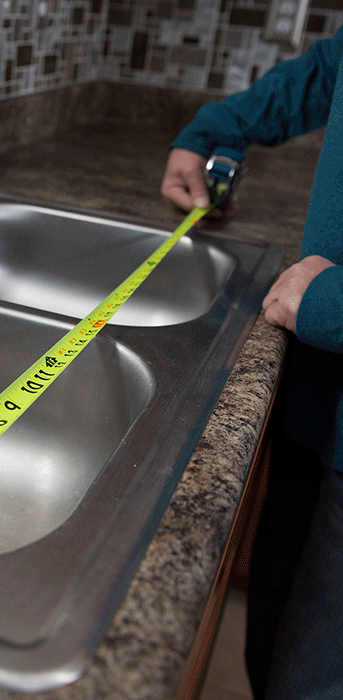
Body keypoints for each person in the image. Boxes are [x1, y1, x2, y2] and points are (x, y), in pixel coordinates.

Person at [161, 26, 343, 700]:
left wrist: (333, 303)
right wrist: (218, 126)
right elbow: (330, 67)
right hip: (315, 404)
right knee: (273, 636)